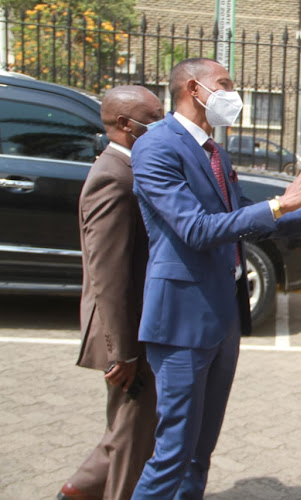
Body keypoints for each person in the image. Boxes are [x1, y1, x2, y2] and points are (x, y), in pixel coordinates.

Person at [130, 57, 301, 499]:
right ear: (192, 88)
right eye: (224, 83)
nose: (232, 93)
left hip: (223, 317)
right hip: (183, 320)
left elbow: (242, 219)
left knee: (200, 450)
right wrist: (281, 202)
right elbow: (195, 229)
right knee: (173, 453)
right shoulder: (157, 146)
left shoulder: (215, 151)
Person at [58, 86, 164, 500]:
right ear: (124, 124)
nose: (160, 124)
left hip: (135, 334)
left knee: (133, 429)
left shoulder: (132, 168)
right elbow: (109, 273)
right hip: (124, 338)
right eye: (151, 118)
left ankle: (76, 492)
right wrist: (125, 351)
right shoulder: (113, 178)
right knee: (130, 437)